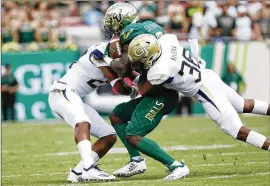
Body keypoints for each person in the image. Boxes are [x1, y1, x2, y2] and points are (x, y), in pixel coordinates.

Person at [127, 34, 270, 157]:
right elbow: (182, 38)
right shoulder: (166, 40)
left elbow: (143, 89)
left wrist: (127, 73)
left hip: (204, 90)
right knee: (241, 104)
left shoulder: (157, 72)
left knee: (236, 130)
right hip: (207, 75)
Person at [103, 3, 189, 180]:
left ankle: (176, 166)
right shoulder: (149, 25)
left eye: (113, 23)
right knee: (117, 115)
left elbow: (123, 67)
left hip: (161, 93)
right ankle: (136, 160)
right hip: (157, 87)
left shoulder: (130, 34)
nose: (112, 28)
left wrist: (105, 58)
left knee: (133, 135)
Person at [48, 42, 138, 182]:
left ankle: (78, 173)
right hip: (62, 91)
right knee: (82, 122)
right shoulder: (99, 53)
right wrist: (134, 89)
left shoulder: (111, 55)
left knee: (108, 136)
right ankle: (89, 168)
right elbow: (120, 88)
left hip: (73, 96)